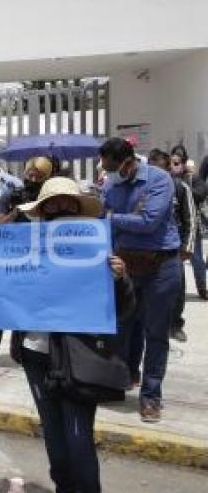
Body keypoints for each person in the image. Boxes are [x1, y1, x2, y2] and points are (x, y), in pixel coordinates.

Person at [0, 177, 135, 493]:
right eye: (52, 202)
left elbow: (123, 308)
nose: (60, 207)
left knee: (79, 439)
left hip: (78, 358)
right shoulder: (28, 244)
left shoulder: (93, 247)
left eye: (68, 201)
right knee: (54, 438)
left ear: (77, 206)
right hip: (35, 356)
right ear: (42, 208)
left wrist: (119, 278)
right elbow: (1, 285)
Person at [100, 137, 181, 423]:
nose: (109, 173)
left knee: (155, 334)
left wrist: (111, 217)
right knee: (120, 329)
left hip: (161, 266)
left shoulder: (160, 180)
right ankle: (119, 383)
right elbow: (104, 225)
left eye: (112, 167)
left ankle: (150, 398)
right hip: (125, 267)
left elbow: (149, 222)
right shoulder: (111, 185)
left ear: (128, 161)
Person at [0, 156, 52, 371]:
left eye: (39, 176)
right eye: (30, 174)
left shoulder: (51, 198)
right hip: (10, 257)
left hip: (38, 260)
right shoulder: (12, 195)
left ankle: (23, 350)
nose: (33, 178)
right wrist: (18, 210)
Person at [148, 150, 196, 343]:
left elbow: (190, 219)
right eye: (151, 168)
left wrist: (188, 247)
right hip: (149, 249)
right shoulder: (144, 187)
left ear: (168, 169)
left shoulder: (180, 187)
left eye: (159, 169)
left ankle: (175, 325)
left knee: (177, 290)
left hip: (175, 249)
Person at [178, 155, 208, 300]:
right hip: (176, 225)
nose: (175, 166)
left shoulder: (191, 179)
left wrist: (186, 187)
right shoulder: (168, 180)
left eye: (178, 163)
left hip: (192, 223)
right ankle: (176, 289)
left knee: (196, 258)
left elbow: (201, 192)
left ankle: (202, 288)